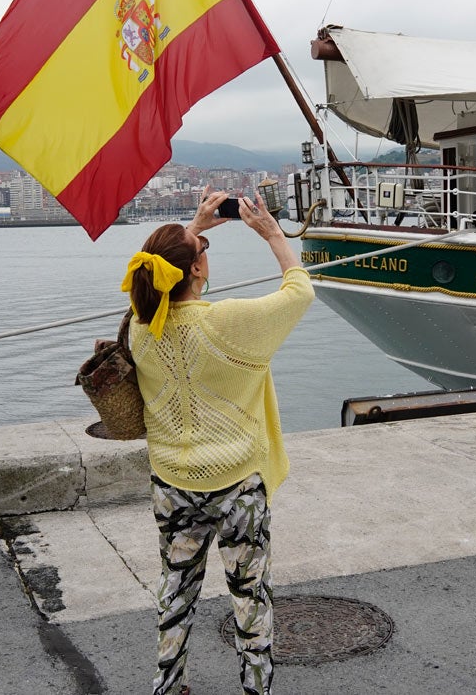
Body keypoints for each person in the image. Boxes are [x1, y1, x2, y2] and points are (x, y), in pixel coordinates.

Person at [122, 188, 314, 695]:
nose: (206, 252)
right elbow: (299, 292)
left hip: (172, 481)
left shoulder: (140, 327)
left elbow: (158, 277)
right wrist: (272, 234)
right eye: (203, 250)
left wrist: (194, 229)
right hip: (237, 484)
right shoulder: (228, 323)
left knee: (175, 588)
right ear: (196, 270)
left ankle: (168, 686)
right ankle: (256, 688)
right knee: (250, 596)